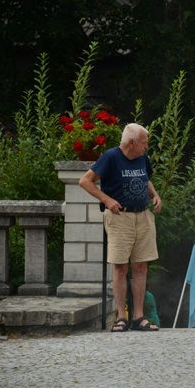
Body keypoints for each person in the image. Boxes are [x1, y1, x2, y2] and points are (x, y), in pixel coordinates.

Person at [79, 123, 162, 332]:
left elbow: (145, 179)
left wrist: (155, 195)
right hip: (120, 216)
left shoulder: (142, 157)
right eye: (144, 143)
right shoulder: (111, 157)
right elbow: (85, 181)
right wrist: (107, 200)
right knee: (120, 266)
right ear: (132, 143)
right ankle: (121, 317)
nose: (147, 147)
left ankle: (139, 317)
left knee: (141, 265)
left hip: (142, 215)